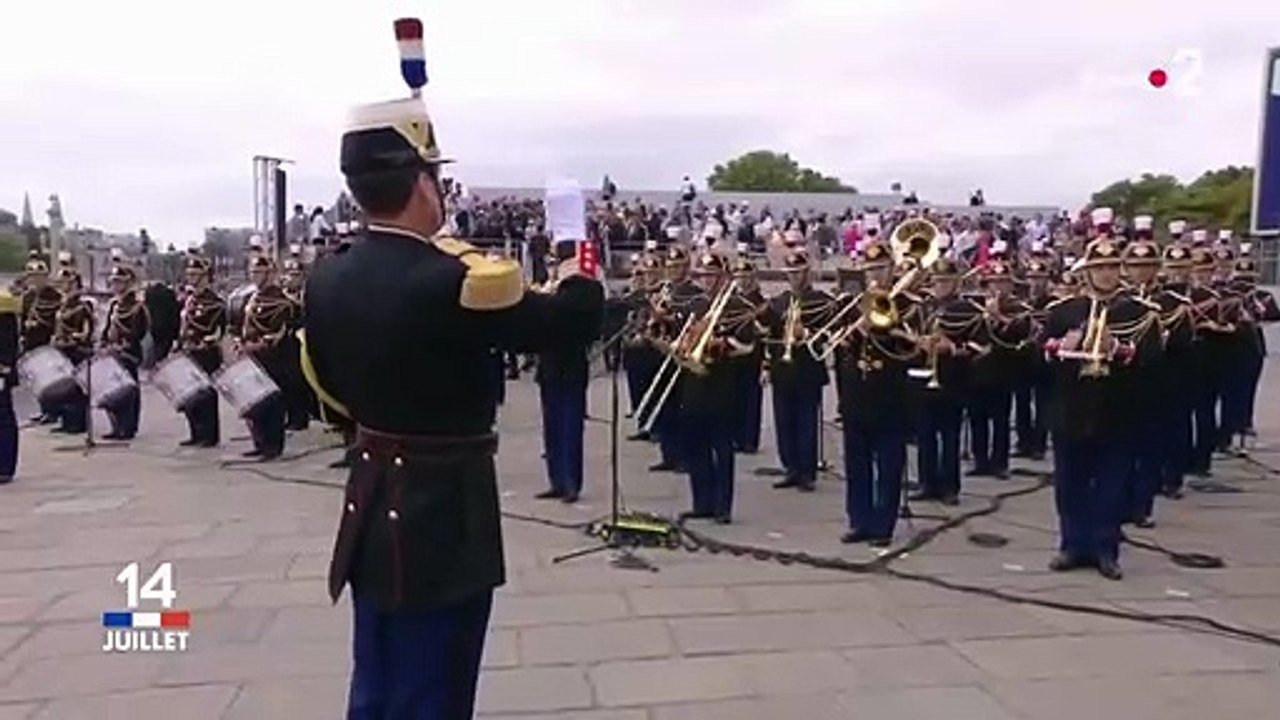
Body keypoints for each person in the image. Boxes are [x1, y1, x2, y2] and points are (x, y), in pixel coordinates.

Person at [298, 25, 604, 718]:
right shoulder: (453, 280)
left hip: (372, 493)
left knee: (376, 681)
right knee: (434, 687)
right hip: (442, 511)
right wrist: (572, 251)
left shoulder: (327, 277)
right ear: (421, 183)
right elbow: (570, 322)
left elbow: (326, 385)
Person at [1041, 226, 1161, 580]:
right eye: (1099, 267)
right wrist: (1059, 346)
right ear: (1087, 272)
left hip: (1117, 408)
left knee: (1111, 485)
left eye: (1111, 267)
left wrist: (1118, 349)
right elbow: (1039, 355)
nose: (1106, 273)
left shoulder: (1139, 312)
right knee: (1070, 483)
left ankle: (1106, 550)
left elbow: (1154, 360)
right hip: (1072, 407)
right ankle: (1072, 545)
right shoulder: (1065, 311)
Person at [534, 241, 594, 504]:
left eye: (556, 261)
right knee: (552, 427)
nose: (552, 266)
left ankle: (571, 482)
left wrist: (547, 295)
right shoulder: (552, 287)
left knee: (570, 426)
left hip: (570, 366)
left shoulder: (582, 289)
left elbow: (564, 313)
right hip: (549, 366)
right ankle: (556, 480)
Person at [238, 253, 291, 460]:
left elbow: (277, 333)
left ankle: (273, 445)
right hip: (253, 358)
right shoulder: (252, 298)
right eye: (253, 272)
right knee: (256, 402)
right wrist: (240, 342)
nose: (254, 276)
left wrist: (256, 345)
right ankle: (259, 442)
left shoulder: (280, 301)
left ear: (270, 274)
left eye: (259, 272)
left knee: (272, 403)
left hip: (272, 358)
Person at [177, 251, 227, 447]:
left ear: (205, 277)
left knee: (206, 396)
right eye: (189, 274)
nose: (191, 278)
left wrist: (205, 341)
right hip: (190, 352)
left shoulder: (215, 303)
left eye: (195, 275)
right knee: (191, 395)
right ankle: (196, 432)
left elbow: (218, 330)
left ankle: (209, 435)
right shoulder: (189, 301)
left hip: (206, 353)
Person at [100, 260, 149, 440]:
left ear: (128, 283)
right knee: (114, 390)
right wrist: (104, 342)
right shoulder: (115, 305)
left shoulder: (136, 306)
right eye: (114, 282)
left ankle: (128, 427)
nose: (115, 285)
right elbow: (107, 328)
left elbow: (139, 331)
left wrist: (123, 344)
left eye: (119, 282)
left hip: (128, 354)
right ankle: (116, 425)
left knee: (128, 391)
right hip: (113, 354)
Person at [0, 287, 19, 483]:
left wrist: (5, 365)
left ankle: (5, 467)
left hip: (0, 370)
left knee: (3, 416)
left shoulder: (3, 302)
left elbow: (8, 340)